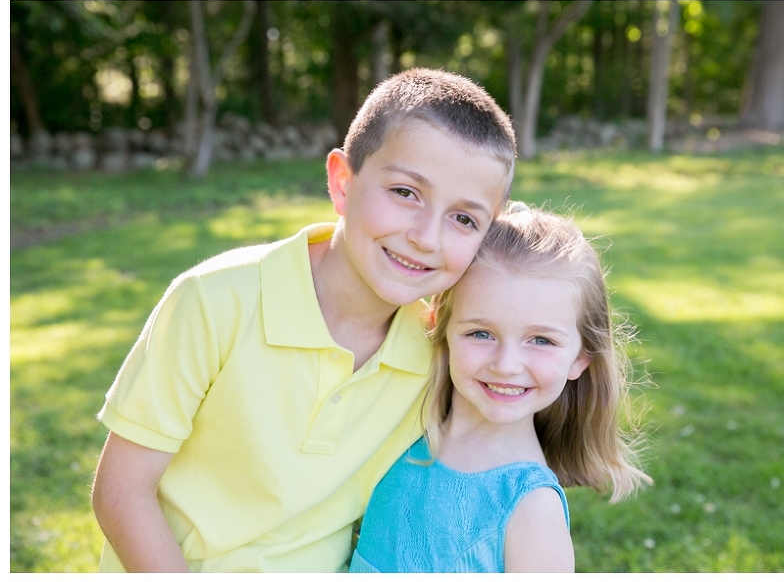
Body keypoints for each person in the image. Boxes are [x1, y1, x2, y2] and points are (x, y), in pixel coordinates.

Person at [90, 68, 516, 572]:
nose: (427, 237)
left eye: (464, 219)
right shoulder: (214, 302)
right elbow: (121, 493)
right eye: (405, 192)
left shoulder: (438, 350)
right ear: (341, 182)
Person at [349, 203, 652, 573]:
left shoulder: (531, 509)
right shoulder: (401, 421)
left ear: (580, 358)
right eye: (480, 333)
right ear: (439, 329)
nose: (506, 365)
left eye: (540, 340)